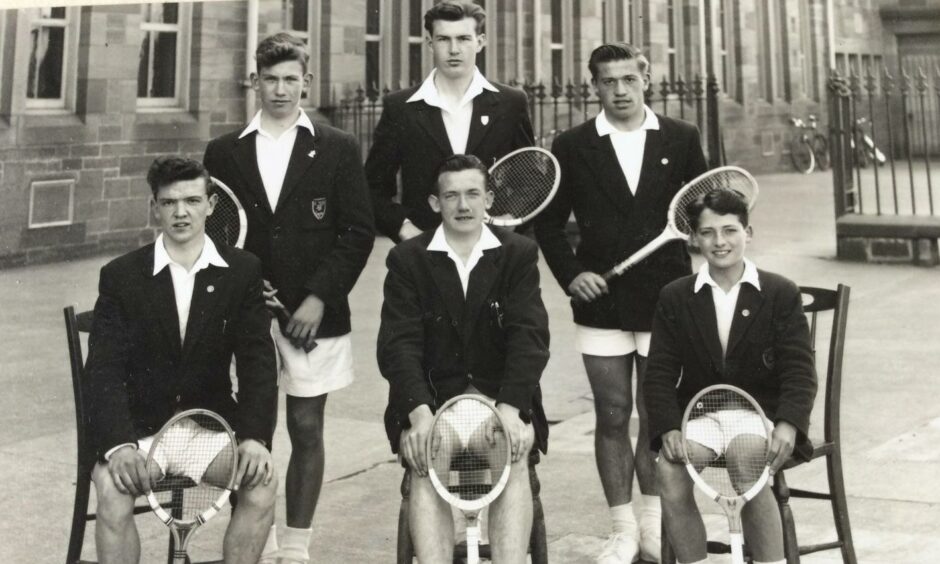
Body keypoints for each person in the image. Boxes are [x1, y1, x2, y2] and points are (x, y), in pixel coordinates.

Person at [533, 42, 708, 563]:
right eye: (608, 81)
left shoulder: (681, 137)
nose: (620, 90)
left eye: (629, 79)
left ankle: (653, 524)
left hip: (667, 301)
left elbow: (701, 210)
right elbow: (546, 223)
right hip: (601, 304)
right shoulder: (572, 144)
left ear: (647, 78)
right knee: (612, 414)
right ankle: (622, 528)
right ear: (594, 86)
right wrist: (572, 275)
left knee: (657, 417)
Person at [203, 33, 375, 564]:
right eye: (270, 79)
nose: (280, 89)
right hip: (247, 312)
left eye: (290, 79)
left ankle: (296, 545)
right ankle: (260, 536)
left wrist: (318, 298)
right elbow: (216, 233)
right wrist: (246, 284)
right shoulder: (224, 151)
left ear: (307, 82)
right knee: (251, 426)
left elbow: (357, 232)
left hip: (312, 315)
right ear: (255, 81)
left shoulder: (338, 146)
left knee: (305, 425)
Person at [86, 157, 278, 564]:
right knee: (112, 491)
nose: (181, 212)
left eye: (192, 200)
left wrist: (255, 438)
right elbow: (103, 369)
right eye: (169, 202)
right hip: (141, 434)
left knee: (262, 483)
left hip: (209, 429)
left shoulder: (242, 271)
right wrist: (119, 447)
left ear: (210, 204)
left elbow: (258, 362)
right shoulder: (121, 275)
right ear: (154, 207)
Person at [377, 154, 550, 563]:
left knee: (512, 451)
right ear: (435, 204)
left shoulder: (517, 253)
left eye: (473, 193)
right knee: (425, 454)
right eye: (451, 196)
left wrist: (511, 410)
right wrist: (418, 415)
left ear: (489, 198)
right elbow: (398, 345)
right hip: (433, 405)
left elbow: (531, 338)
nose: (463, 205)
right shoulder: (408, 259)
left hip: (500, 401)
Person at [644, 188, 817, 564]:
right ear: (693, 238)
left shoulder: (779, 292)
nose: (719, 242)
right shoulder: (676, 296)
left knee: (747, 462)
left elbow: (799, 370)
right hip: (702, 414)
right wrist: (669, 427)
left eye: (730, 230)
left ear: (748, 233)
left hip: (759, 416)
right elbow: (658, 372)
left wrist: (788, 424)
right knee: (670, 472)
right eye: (707, 232)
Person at [365, 0, 534, 242]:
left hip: (494, 251)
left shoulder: (511, 102)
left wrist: (510, 220)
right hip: (424, 256)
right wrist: (406, 230)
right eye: (444, 39)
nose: (454, 49)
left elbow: (529, 181)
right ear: (430, 43)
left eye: (464, 38)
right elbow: (373, 188)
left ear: (480, 42)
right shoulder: (400, 108)